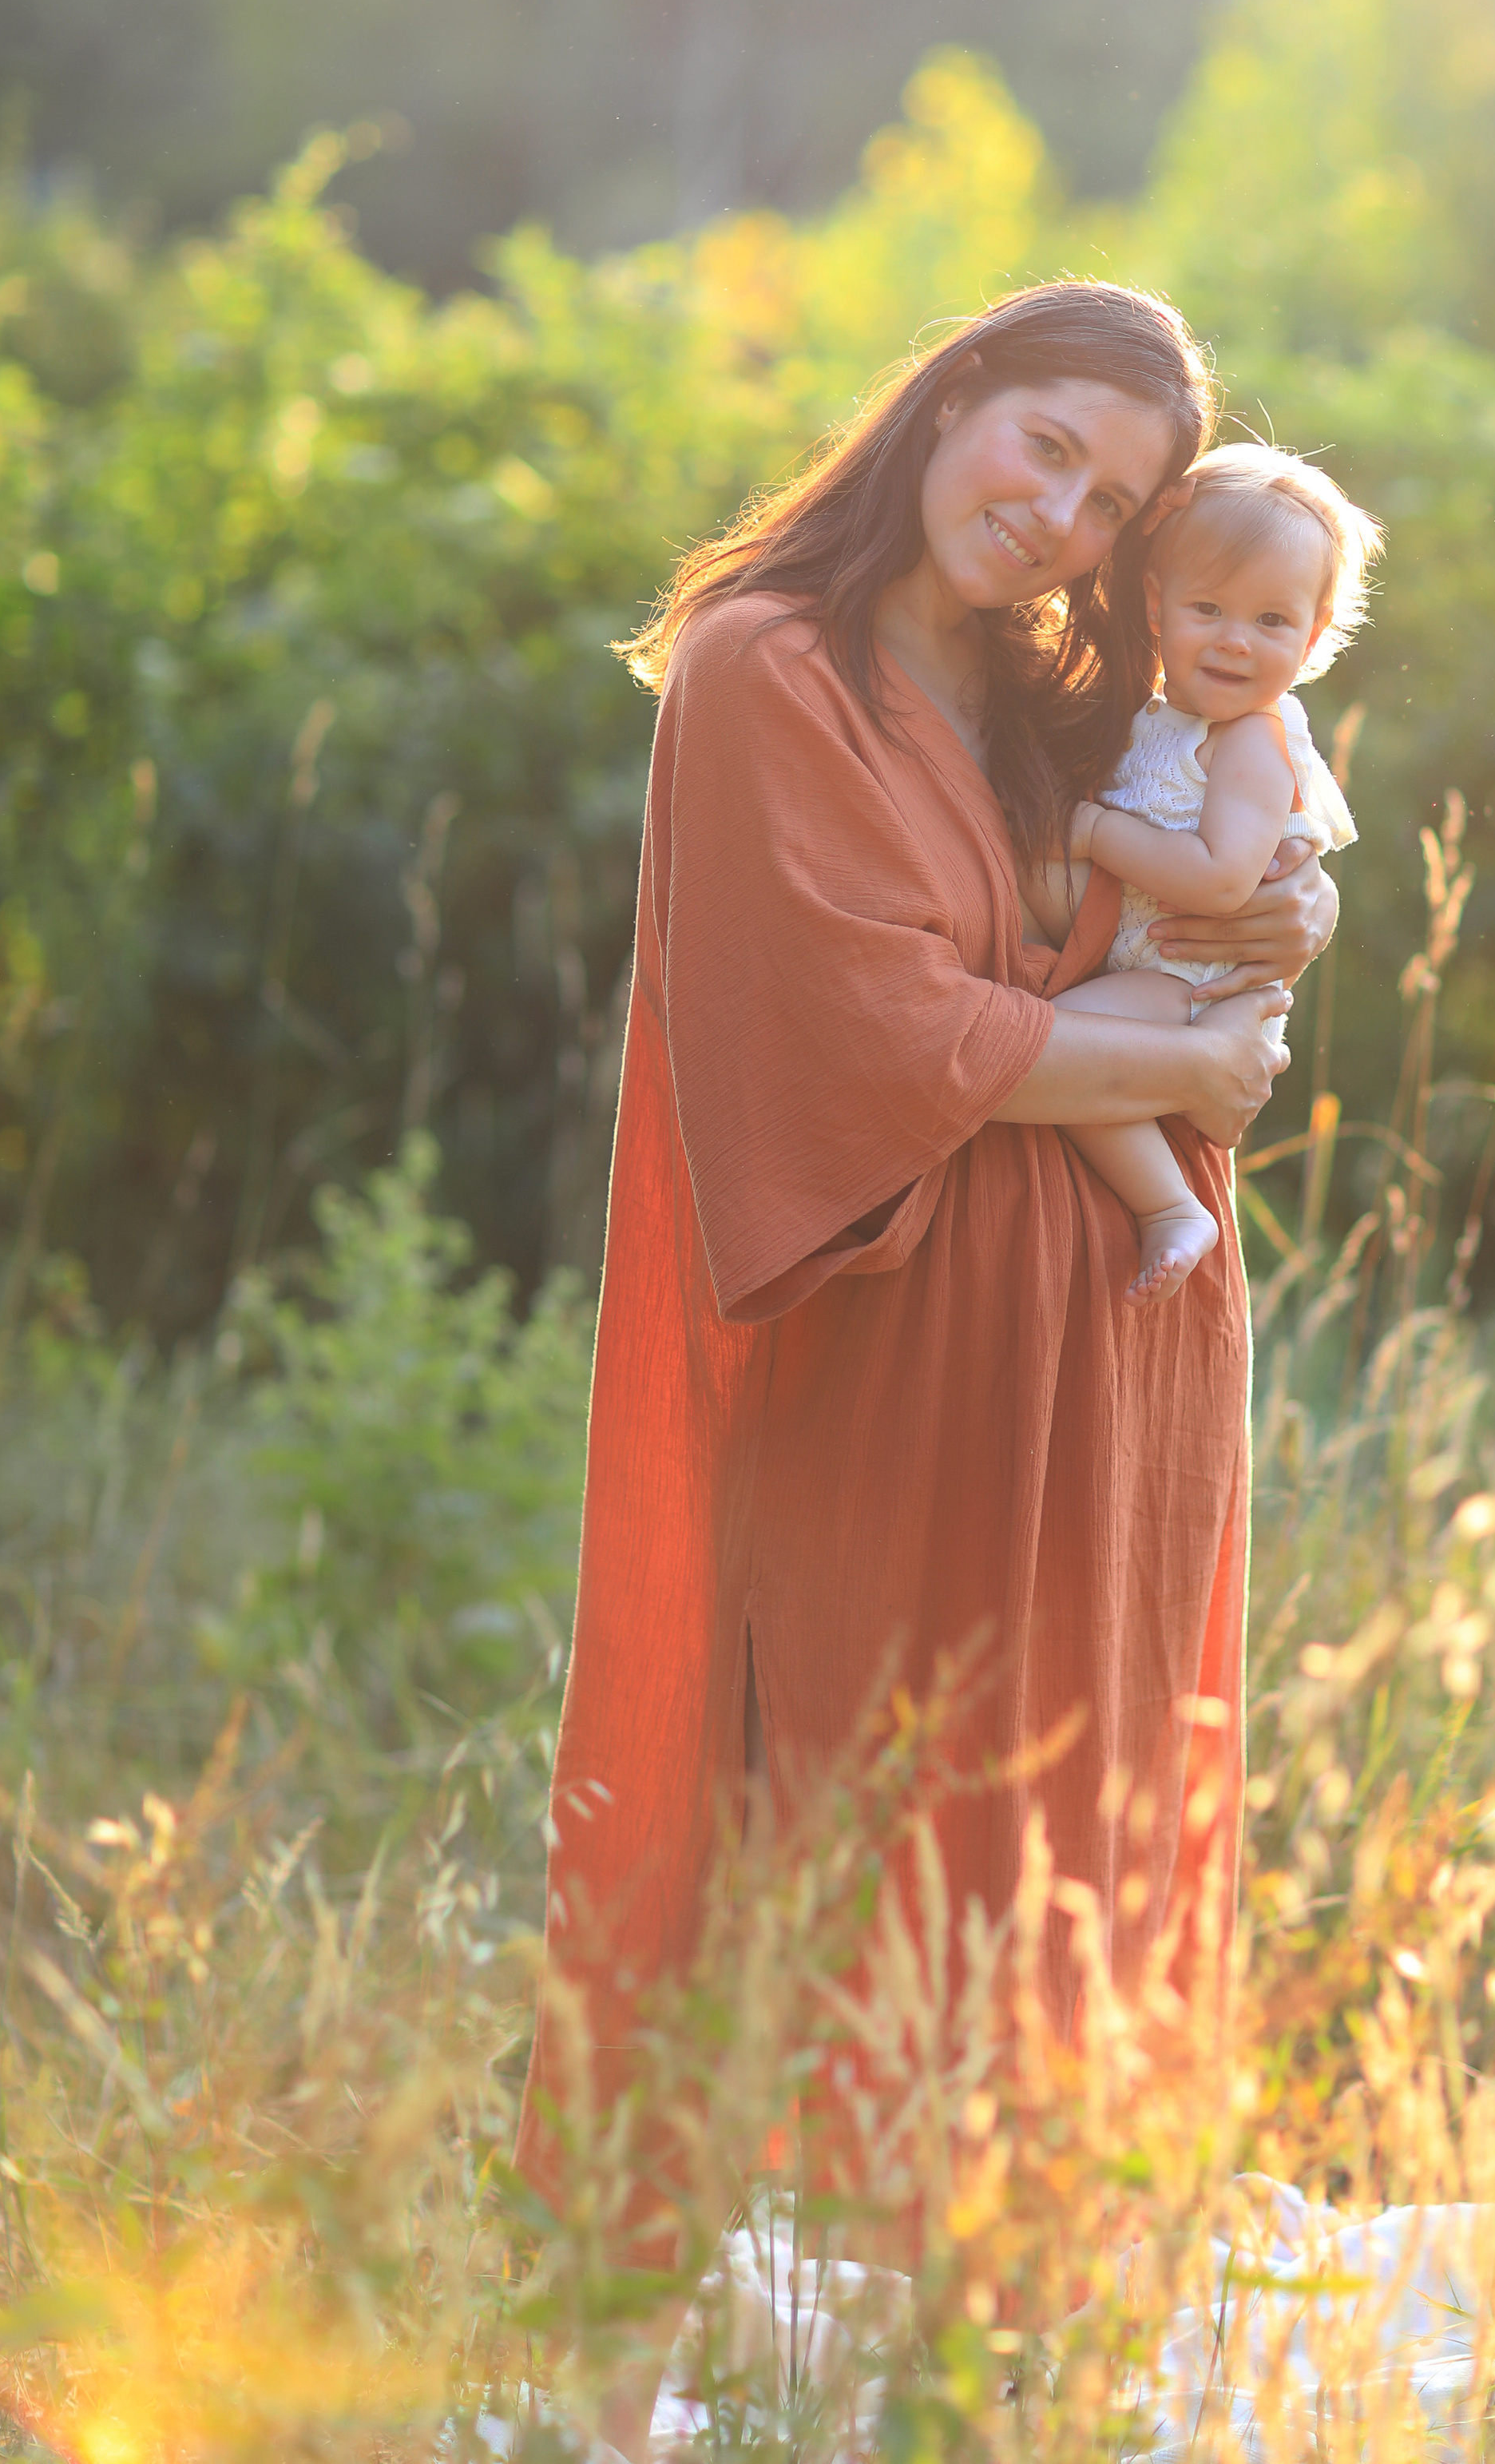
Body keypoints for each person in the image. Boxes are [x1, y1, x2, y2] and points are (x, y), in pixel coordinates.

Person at [514, 283, 1339, 2331]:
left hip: (1133, 1330)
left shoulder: (1032, 675)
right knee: (909, 1796)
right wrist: (1174, 1069)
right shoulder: (764, 664)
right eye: (1042, 446)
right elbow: (882, 1027)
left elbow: (1213, 856)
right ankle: (878, 2307)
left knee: (1091, 1788)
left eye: (1110, 502)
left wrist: (1292, 898)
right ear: (951, 394)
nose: (1061, 517)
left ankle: (1044, 2274)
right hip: (919, 1338)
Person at [1025, 444, 1382, 1303]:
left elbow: (1223, 881)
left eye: (1269, 621)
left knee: (1062, 1041)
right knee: (1069, 1041)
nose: (1233, 641)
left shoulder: (1254, 739)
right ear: (1156, 607)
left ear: (1314, 630)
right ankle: (1163, 1202)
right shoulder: (1160, 717)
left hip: (1194, 979)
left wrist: (1096, 832)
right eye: (1209, 608)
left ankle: (1168, 1208)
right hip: (1158, 963)